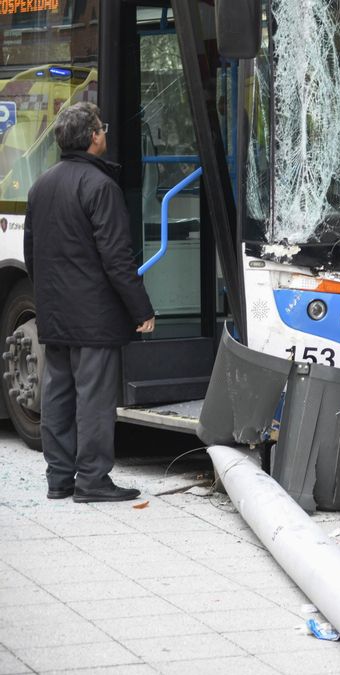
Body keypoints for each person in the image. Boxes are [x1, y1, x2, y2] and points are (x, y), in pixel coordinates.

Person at [24, 102, 155, 503]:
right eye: (103, 127)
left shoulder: (41, 184)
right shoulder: (100, 187)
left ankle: (59, 479)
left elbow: (32, 253)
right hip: (94, 316)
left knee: (58, 394)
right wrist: (141, 309)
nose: (105, 133)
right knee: (94, 400)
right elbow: (117, 257)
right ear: (93, 137)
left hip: (55, 312)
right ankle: (93, 480)